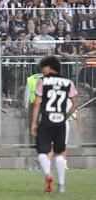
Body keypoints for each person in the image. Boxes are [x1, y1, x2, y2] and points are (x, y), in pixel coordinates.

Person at [31, 56, 79, 193]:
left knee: (42, 152)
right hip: (60, 121)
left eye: (43, 67)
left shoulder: (43, 81)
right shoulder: (68, 82)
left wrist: (34, 123)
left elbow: (36, 103)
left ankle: (48, 175)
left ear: (49, 67)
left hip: (46, 120)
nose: (42, 70)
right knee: (59, 152)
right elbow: (75, 103)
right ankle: (62, 185)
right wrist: (65, 116)